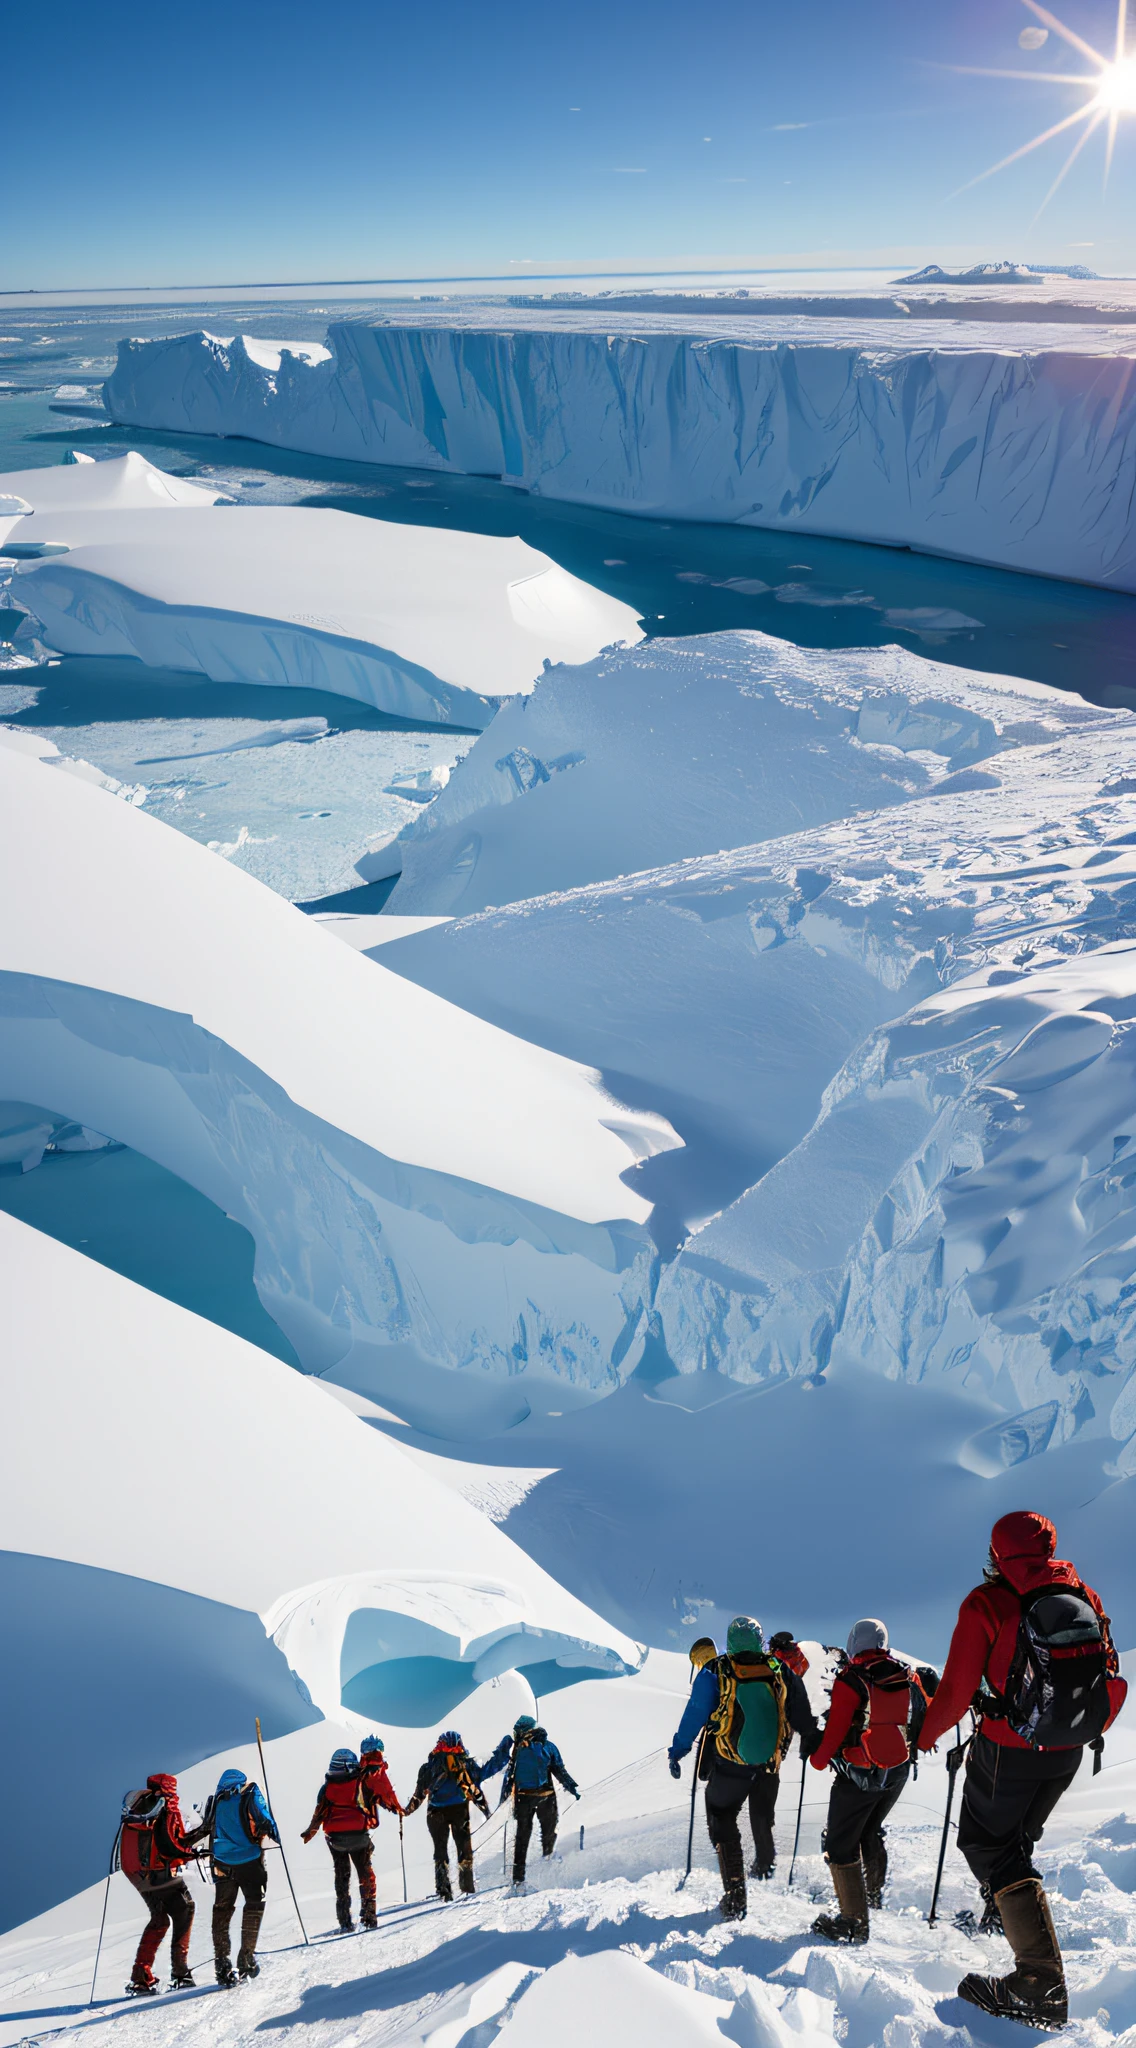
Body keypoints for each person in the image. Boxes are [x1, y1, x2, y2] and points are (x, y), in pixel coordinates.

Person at [918, 1510, 1126, 2029]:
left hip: (1008, 1750)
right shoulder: (1082, 1592)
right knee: (1017, 1838)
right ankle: (1005, 1913)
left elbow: (958, 1688)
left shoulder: (986, 1602)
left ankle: (1039, 1982)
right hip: (1069, 1747)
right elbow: (1110, 1670)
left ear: (996, 1553)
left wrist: (924, 1736)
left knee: (986, 1844)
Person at [669, 1616, 819, 1921]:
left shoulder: (716, 1669)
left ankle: (736, 1894)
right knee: (761, 1816)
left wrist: (678, 1750)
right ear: (760, 1639)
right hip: (768, 1765)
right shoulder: (777, 1668)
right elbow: (799, 1708)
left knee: (722, 1817)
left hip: (730, 1764)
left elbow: (694, 1714)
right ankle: (764, 1866)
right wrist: (810, 1739)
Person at [809, 1618, 937, 1944]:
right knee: (869, 1829)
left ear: (854, 1643)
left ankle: (853, 1923)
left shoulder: (851, 1680)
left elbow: (836, 1730)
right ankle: (872, 1895)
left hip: (861, 1773)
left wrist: (819, 1759)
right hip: (898, 1768)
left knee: (840, 1846)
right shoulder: (906, 1673)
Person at [119, 1774, 208, 1995]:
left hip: (137, 1874)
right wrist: (191, 1854)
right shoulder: (166, 1808)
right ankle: (180, 1974)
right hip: (160, 1872)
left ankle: (141, 1977)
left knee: (159, 1920)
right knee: (185, 1910)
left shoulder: (137, 1807)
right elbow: (170, 1845)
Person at [481, 1714, 580, 1891]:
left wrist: (504, 1799)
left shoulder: (516, 1748)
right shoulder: (547, 1746)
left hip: (523, 1798)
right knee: (549, 1831)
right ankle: (548, 1864)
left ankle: (518, 1880)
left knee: (522, 1838)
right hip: (546, 1796)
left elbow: (509, 1774)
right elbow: (559, 1770)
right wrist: (571, 1787)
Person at [301, 1747, 392, 1933]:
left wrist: (310, 1831)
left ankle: (344, 1920)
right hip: (360, 1836)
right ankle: (368, 1916)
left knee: (341, 1877)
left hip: (336, 1840)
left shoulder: (327, 1789)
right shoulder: (361, 1784)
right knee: (366, 1874)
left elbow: (319, 1813)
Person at [203, 1767, 279, 1986]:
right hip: (249, 1860)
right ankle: (246, 1959)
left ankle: (222, 1965)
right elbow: (264, 1818)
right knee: (254, 1904)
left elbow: (207, 1827)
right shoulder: (250, 1792)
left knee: (222, 1910)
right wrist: (275, 1833)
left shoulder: (216, 1800)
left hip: (222, 1862)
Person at [402, 1730, 490, 1900]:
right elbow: (473, 1787)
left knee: (440, 1851)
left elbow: (419, 1794)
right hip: (459, 1810)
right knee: (464, 1847)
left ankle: (444, 1891)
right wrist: (485, 1809)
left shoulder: (428, 1767)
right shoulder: (464, 1764)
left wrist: (406, 1811)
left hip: (436, 1813)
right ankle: (467, 1886)